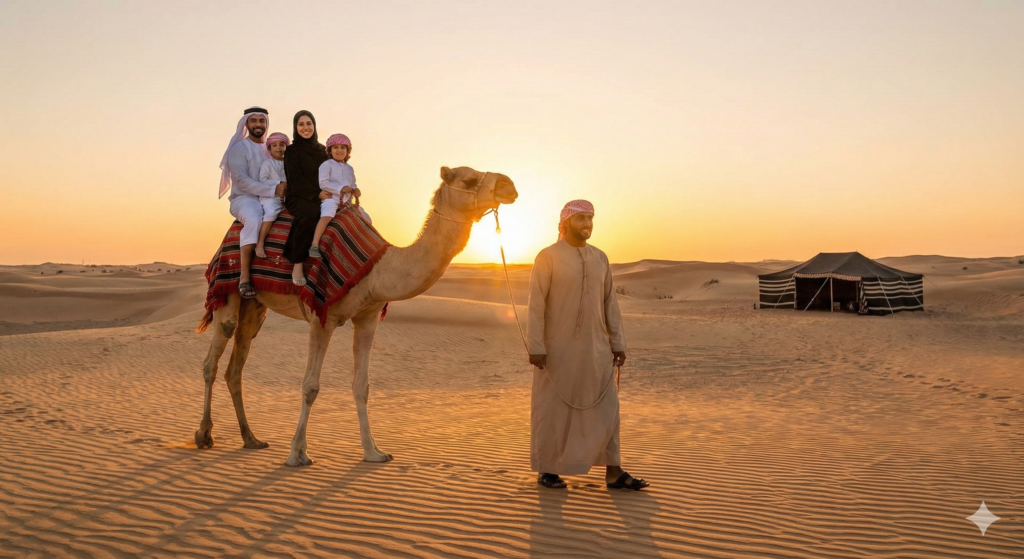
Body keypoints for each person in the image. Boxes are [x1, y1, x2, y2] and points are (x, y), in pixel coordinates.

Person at [527, 200, 649, 491]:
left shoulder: (600, 258)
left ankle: (614, 471)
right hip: (557, 350)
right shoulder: (548, 257)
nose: (588, 223)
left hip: (597, 349)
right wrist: (535, 345)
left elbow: (610, 303)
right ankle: (548, 469)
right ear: (566, 222)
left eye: (591, 218)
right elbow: (535, 305)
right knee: (553, 409)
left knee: (608, 408)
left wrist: (617, 342)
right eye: (581, 217)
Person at [219, 106, 287, 298]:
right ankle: (245, 277)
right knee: (256, 218)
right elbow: (242, 181)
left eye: (262, 121)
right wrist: (273, 189)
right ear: (247, 124)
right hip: (244, 198)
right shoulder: (239, 149)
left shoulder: (271, 149)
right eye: (254, 121)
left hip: (272, 196)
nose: (258, 124)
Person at [282, 110, 329, 286]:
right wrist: (316, 194)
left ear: (314, 126)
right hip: (299, 196)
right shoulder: (292, 151)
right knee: (310, 214)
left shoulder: (322, 150)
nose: (305, 127)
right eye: (301, 124)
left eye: (309, 123)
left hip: (322, 194)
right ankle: (298, 263)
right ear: (296, 127)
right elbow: (296, 180)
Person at [310, 133, 368, 257]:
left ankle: (362, 245)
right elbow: (323, 183)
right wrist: (340, 189)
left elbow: (352, 184)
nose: (339, 150)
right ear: (330, 150)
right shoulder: (326, 165)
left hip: (347, 201)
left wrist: (355, 190)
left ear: (348, 151)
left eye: (343, 147)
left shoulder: (349, 169)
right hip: (331, 198)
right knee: (327, 214)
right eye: (335, 147)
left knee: (366, 217)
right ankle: (314, 244)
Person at [254, 132, 289, 258]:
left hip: (287, 196)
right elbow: (263, 180)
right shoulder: (268, 163)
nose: (278, 148)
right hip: (270, 196)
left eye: (281, 145)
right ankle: (260, 243)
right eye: (274, 145)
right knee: (271, 213)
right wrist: (279, 183)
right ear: (269, 149)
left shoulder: (289, 163)